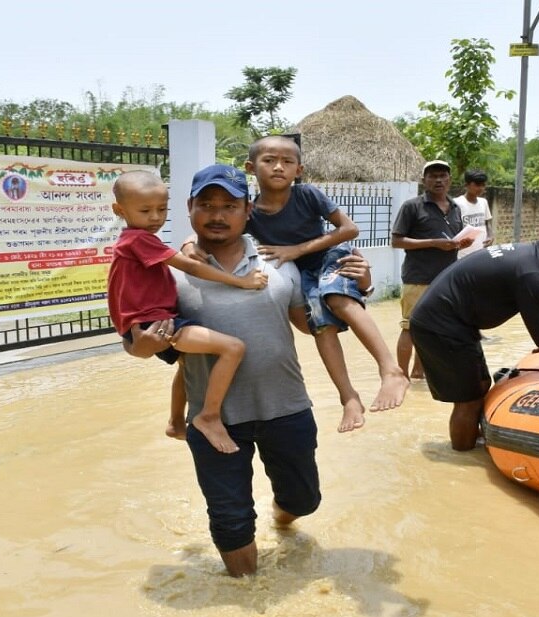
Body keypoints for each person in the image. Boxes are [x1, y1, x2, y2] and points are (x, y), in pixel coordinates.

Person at [124, 163, 372, 577]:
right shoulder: (168, 272)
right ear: (189, 208)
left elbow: (311, 326)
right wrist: (144, 346)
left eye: (229, 205)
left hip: (287, 409)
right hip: (214, 420)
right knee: (231, 522)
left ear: (248, 209)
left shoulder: (281, 264)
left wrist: (358, 286)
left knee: (303, 501)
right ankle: (248, 595)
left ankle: (282, 519)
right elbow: (139, 342)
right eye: (207, 204)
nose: (217, 214)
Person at [242, 135, 408, 433]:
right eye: (269, 160)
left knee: (336, 298)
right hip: (303, 275)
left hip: (332, 255)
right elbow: (222, 233)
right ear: (251, 167)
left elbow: (350, 229)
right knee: (321, 326)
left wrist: (297, 250)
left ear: (299, 169)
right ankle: (349, 397)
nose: (278, 167)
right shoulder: (249, 213)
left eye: (287, 162)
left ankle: (390, 369)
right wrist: (191, 245)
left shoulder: (307, 194)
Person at [409, 217, 539, 450]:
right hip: (441, 325)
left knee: (481, 386)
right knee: (469, 398)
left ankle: (469, 445)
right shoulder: (532, 273)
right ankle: (462, 456)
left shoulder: (533, 258)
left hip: (454, 322)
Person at [108, 170, 267, 454]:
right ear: (119, 210)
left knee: (187, 366)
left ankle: (175, 422)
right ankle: (209, 416)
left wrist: (187, 241)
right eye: (145, 210)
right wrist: (241, 281)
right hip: (158, 322)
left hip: (152, 320)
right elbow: (191, 266)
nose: (155, 217)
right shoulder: (139, 240)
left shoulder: (133, 239)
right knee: (232, 348)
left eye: (161, 209)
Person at [391, 160, 475, 380]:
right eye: (433, 176)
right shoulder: (412, 206)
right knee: (410, 327)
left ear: (450, 180)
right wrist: (432, 242)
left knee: (430, 329)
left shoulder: (456, 208)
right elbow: (397, 241)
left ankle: (419, 372)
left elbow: (453, 239)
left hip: (446, 278)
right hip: (418, 277)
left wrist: (461, 244)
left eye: (443, 176)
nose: (438, 180)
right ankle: (401, 376)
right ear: (424, 180)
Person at [453, 169, 493, 258]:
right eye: (477, 185)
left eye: (483, 185)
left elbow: (487, 222)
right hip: (462, 255)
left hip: (480, 252)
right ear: (466, 185)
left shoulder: (483, 202)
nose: (481, 188)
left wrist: (490, 236)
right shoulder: (456, 204)